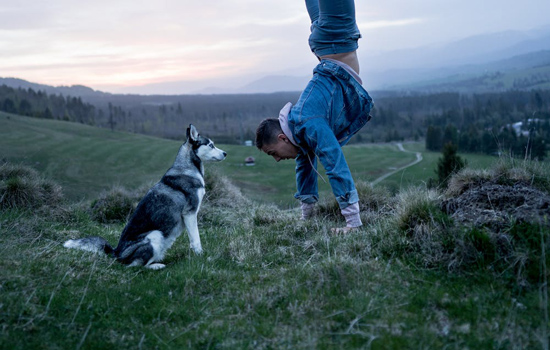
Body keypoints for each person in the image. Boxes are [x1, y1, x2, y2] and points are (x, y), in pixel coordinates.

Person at [255, 0, 374, 233]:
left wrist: (353, 222)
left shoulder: (308, 124)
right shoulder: (299, 133)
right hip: (325, 44)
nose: (277, 160)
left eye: (273, 154)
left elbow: (334, 162)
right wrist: (306, 217)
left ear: (281, 138)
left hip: (335, 36)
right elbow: (305, 168)